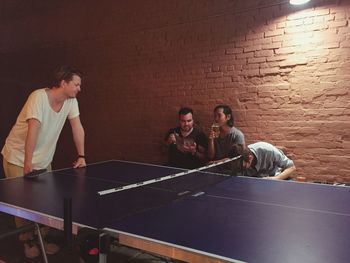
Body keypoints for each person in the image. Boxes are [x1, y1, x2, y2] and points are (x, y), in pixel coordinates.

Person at [1, 65, 86, 259]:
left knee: (45, 203)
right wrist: (27, 164)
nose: (79, 88)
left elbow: (77, 127)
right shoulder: (38, 97)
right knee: (23, 204)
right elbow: (34, 129)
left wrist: (81, 156)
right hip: (18, 157)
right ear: (63, 83)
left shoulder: (71, 102)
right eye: (76, 84)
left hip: (43, 159)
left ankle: (42, 238)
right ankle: (28, 241)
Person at [229, 142, 296, 180]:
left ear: (250, 158)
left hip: (275, 176)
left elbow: (291, 167)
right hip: (257, 181)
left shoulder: (269, 151)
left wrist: (275, 178)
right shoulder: (239, 162)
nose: (240, 169)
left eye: (242, 167)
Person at [207, 105, 245, 173]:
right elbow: (211, 156)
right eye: (215, 116)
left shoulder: (237, 135)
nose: (216, 119)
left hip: (232, 169)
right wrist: (211, 139)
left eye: (219, 116)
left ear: (228, 117)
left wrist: (215, 162)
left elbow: (236, 158)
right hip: (217, 169)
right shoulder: (215, 132)